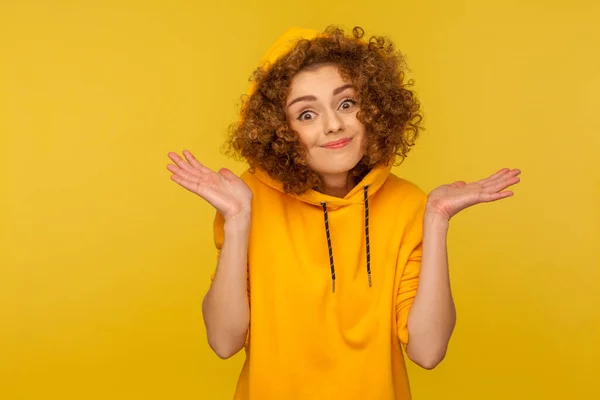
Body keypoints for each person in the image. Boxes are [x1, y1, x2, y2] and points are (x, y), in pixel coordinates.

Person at [166, 26, 520, 400]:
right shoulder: (247, 199)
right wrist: (237, 222)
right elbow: (223, 341)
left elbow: (428, 352)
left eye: (346, 103)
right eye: (306, 114)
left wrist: (436, 218)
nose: (333, 124)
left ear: (375, 108)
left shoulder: (409, 204)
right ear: (278, 130)